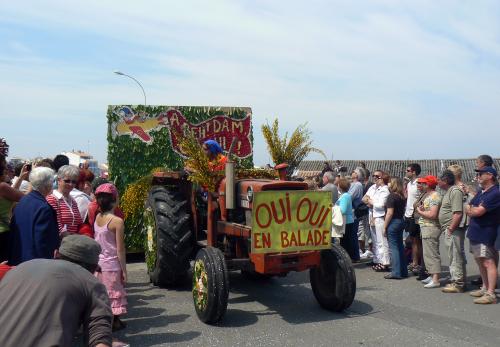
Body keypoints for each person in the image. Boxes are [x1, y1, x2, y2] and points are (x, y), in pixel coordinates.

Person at [0, 234, 113, 347]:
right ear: (93, 268)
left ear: (55, 254)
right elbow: (99, 336)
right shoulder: (91, 283)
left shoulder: (20, 268)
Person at [94, 183, 128, 330]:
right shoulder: (117, 221)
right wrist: (125, 270)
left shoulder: (97, 217)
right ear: (114, 199)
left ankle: (108, 322)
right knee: (114, 293)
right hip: (112, 264)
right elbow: (120, 249)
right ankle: (113, 322)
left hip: (99, 263)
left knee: (104, 294)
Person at [8, 167, 60, 265]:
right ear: (47, 185)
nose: (54, 185)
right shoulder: (43, 208)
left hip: (17, 259)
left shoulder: (23, 201)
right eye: (53, 181)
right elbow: (42, 241)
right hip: (34, 264)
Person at [466, 166, 500, 304]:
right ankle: (485, 287)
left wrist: (472, 209)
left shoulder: (495, 193)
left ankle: (491, 294)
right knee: (480, 261)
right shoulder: (481, 191)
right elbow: (469, 206)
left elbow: (478, 211)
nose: (478, 176)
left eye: (481, 174)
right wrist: (472, 209)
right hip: (476, 231)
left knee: (488, 261)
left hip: (486, 232)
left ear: (490, 175)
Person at [438, 170, 466, 293]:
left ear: (445, 181)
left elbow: (458, 213)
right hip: (450, 229)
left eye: (439, 180)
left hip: (453, 229)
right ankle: (458, 279)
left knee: (455, 256)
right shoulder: (450, 191)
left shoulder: (455, 191)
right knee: (454, 255)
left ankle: (458, 283)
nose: (437, 182)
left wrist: (450, 228)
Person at [0, 156, 29, 261]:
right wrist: (33, 181)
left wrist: (21, 178)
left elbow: (10, 194)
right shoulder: (2, 187)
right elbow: (28, 200)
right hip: (2, 234)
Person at [416, 175, 442, 288]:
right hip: (426, 226)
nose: (421, 185)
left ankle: (435, 279)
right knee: (428, 254)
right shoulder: (430, 195)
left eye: (424, 183)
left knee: (432, 253)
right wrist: (422, 210)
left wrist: (419, 212)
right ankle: (432, 276)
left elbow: (433, 214)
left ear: (429, 185)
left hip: (431, 227)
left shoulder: (434, 196)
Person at [363, 171, 391, 271]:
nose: (375, 178)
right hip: (372, 215)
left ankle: (385, 262)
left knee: (382, 241)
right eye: (373, 176)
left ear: (382, 178)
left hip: (379, 217)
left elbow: (380, 205)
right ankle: (377, 260)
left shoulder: (385, 190)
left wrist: (370, 201)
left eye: (377, 176)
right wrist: (371, 202)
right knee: (375, 240)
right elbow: (364, 198)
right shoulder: (373, 187)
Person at [46, 165, 84, 235]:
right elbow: (57, 226)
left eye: (74, 182)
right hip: (62, 243)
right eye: (67, 181)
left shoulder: (73, 201)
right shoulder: (52, 199)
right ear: (59, 180)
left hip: (72, 242)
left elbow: (79, 223)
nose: (70, 184)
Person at [384, 177, 408, 279]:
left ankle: (396, 272)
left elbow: (389, 213)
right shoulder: (402, 196)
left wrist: (384, 227)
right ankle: (403, 271)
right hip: (400, 221)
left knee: (393, 248)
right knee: (400, 247)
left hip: (393, 222)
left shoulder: (391, 196)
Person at [404, 163, 423, 276]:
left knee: (416, 241)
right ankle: (415, 262)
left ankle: (417, 263)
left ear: (414, 172)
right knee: (412, 240)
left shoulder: (419, 183)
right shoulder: (410, 183)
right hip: (408, 214)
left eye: (408, 170)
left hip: (414, 215)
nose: (406, 172)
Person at [336, 177, 357, 260]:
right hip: (348, 220)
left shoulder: (344, 196)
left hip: (346, 221)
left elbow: (343, 210)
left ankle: (345, 259)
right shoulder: (346, 195)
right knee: (346, 240)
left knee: (345, 241)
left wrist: (333, 208)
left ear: (340, 186)